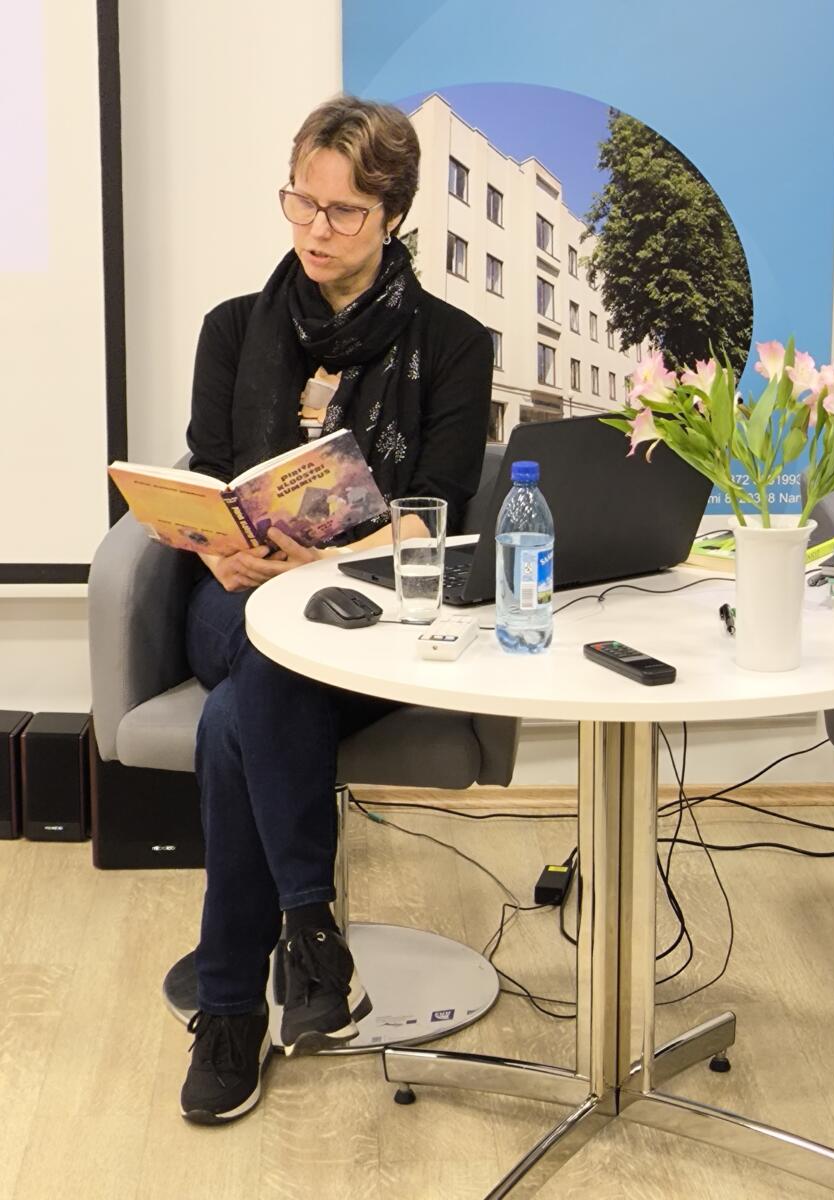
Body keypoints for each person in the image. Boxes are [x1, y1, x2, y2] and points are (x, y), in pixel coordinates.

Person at [179, 94, 493, 1124]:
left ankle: (235, 1003)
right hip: (233, 602)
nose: (314, 230)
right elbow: (207, 475)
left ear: (393, 215)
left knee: (237, 715)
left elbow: (435, 512)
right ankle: (311, 942)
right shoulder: (234, 328)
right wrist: (215, 543)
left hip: (370, 621)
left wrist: (322, 560)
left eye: (343, 212)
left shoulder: (455, 343)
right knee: (262, 649)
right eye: (300, 203)